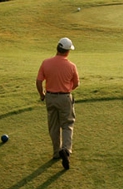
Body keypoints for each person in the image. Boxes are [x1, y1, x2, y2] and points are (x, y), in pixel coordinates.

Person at [35, 37, 80, 170]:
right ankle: (66, 149)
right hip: (65, 97)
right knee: (67, 124)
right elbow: (76, 83)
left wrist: (42, 95)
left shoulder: (46, 63)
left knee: (53, 125)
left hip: (50, 97)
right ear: (67, 51)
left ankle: (56, 153)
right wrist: (67, 90)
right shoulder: (71, 66)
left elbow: (38, 82)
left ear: (57, 48)